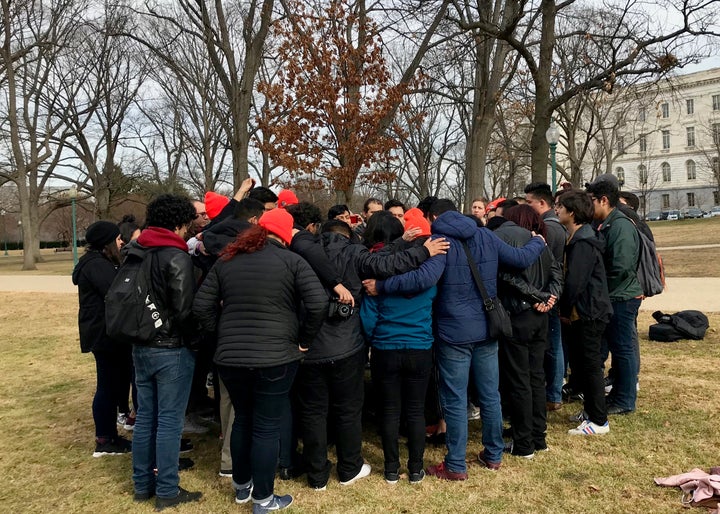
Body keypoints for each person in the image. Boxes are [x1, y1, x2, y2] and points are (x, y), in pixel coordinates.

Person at [371, 199, 546, 480]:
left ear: (433, 217)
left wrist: (381, 286)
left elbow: (422, 279)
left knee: (455, 399)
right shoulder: (486, 235)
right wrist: (537, 242)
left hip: (453, 333)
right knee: (490, 395)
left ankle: (455, 464)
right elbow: (521, 258)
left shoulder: (439, 242)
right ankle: (493, 454)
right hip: (487, 328)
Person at [296, 218, 448, 490]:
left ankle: (379, 470)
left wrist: (372, 338)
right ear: (349, 236)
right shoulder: (420, 279)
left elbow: (370, 313)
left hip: (353, 347)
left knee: (321, 412)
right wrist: (421, 250)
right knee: (403, 411)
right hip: (409, 347)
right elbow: (387, 264)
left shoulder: (307, 255)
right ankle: (411, 469)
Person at [193, 208, 328, 513]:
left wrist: (221, 335)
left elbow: (201, 306)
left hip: (231, 358)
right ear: (284, 233)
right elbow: (318, 302)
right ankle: (264, 498)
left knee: (242, 418)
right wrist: (304, 340)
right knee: (267, 426)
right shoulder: (293, 261)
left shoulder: (225, 260)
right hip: (277, 357)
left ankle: (242, 487)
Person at [121, 194, 202, 510]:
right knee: (169, 421)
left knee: (145, 418)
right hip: (171, 348)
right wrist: (195, 340)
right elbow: (184, 310)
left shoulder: (135, 252)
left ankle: (142, 485)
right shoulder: (176, 255)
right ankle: (167, 489)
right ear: (180, 223)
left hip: (140, 344)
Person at [360, 209, 437, 484]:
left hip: (386, 347)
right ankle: (416, 468)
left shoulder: (376, 284)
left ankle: (392, 468)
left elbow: (368, 319)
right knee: (415, 410)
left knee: (389, 411)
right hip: (419, 347)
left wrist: (372, 340)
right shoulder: (427, 281)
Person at [491, 205, 563, 458]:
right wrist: (549, 297)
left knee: (520, 380)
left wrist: (542, 297)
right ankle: (537, 437)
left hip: (519, 316)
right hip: (538, 317)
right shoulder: (538, 242)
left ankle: (524, 443)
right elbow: (557, 272)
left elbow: (503, 276)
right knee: (535, 377)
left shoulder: (505, 239)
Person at [72, 221, 132, 457]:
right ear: (107, 242)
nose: (121, 241)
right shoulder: (96, 265)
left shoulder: (100, 262)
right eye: (118, 238)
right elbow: (116, 293)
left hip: (108, 333)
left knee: (114, 385)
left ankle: (110, 436)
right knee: (107, 387)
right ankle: (105, 439)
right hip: (104, 335)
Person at [555, 190, 612, 435]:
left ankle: (599, 421)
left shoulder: (583, 242)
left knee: (591, 366)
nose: (556, 210)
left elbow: (575, 282)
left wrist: (564, 309)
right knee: (582, 365)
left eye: (560, 207)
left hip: (589, 313)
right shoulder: (576, 238)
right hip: (584, 313)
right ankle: (590, 411)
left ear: (572, 212)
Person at [585, 179, 642, 415]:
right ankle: (619, 395)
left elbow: (621, 267)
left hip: (621, 297)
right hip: (616, 295)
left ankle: (625, 399)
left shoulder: (620, 226)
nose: (589, 207)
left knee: (623, 349)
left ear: (604, 200)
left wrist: (598, 289)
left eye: (592, 201)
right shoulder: (607, 224)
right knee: (619, 348)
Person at [524, 182, 568, 412]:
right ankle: (554, 391)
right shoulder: (558, 225)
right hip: (553, 292)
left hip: (546, 295)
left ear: (542, 203)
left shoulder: (548, 228)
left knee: (552, 345)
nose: (526, 206)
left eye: (529, 202)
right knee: (555, 344)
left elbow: (546, 265)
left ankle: (552, 393)